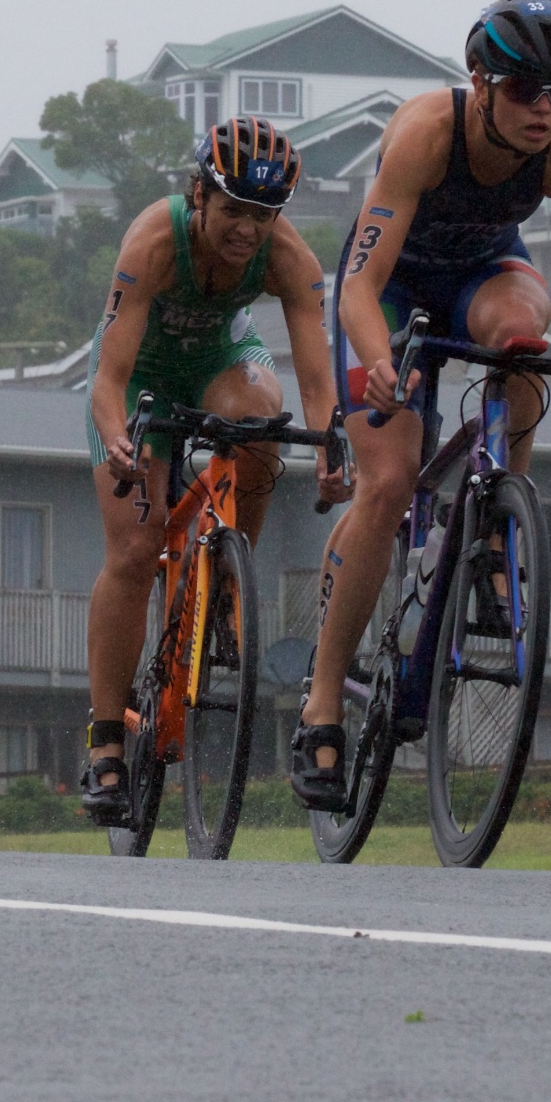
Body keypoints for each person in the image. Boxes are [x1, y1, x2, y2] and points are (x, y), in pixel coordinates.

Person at [290, 0, 551, 809]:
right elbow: (358, 284)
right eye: (526, 88)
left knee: (523, 334)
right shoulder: (427, 131)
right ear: (480, 81)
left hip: (483, 276)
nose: (545, 109)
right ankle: (321, 704)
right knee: (387, 483)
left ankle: (496, 510)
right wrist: (380, 360)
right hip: (385, 291)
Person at [78, 117, 349, 821]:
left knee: (264, 420)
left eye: (263, 216)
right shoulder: (154, 241)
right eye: (233, 211)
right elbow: (107, 382)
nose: (247, 230)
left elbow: (319, 383)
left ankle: (228, 567)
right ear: (199, 195)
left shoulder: (289, 257)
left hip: (217, 365)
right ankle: (106, 741)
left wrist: (328, 447)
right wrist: (116, 440)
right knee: (135, 551)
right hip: (138, 379)